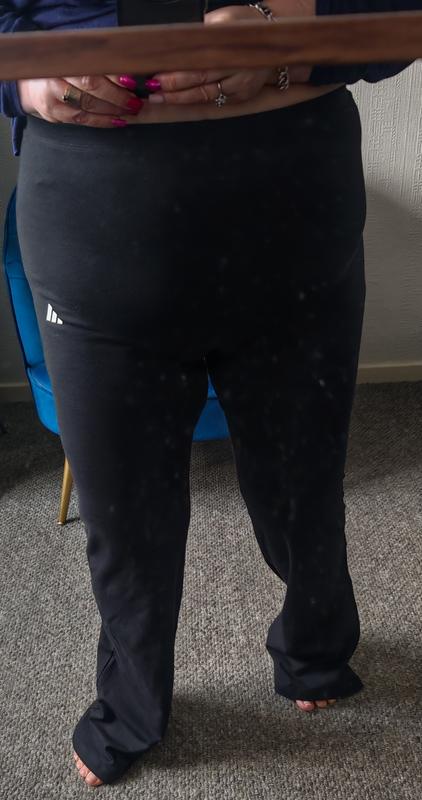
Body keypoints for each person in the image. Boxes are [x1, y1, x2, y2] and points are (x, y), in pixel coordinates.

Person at [1, 0, 420, 788]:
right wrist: (22, 78)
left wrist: (286, 31)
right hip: (95, 225)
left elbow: (402, 15)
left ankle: (316, 646)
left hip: (293, 209)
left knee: (302, 490)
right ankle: (132, 705)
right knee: (123, 521)